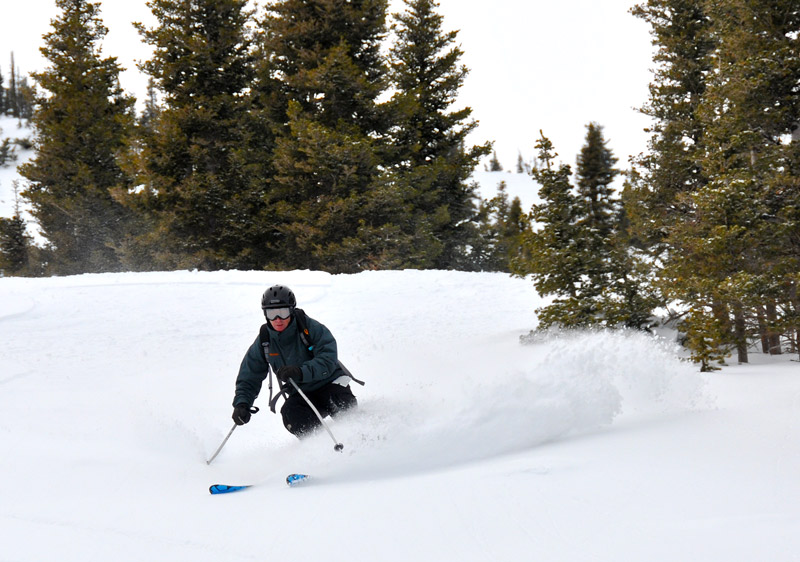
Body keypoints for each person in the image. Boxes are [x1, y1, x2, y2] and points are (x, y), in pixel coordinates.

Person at [232, 284, 357, 437]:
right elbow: (250, 375)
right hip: (302, 393)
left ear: (291, 310)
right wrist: (242, 403)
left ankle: (362, 439)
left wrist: (300, 372)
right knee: (291, 414)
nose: (278, 319)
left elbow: (328, 360)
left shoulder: (310, 328)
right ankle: (320, 449)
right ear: (265, 314)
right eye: (272, 313)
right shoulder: (265, 341)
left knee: (341, 407)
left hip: (330, 384)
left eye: (283, 312)